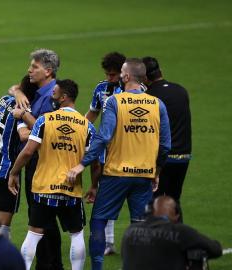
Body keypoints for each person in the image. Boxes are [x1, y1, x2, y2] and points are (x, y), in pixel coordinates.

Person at [67, 58, 171, 270]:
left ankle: (97, 267)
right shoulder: (157, 105)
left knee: (99, 220)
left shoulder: (114, 102)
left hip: (116, 174)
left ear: (125, 76)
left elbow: (104, 136)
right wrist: (156, 171)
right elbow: (166, 145)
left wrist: (82, 164)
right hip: (144, 176)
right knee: (140, 227)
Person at [8, 79, 96, 270]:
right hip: (71, 190)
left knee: (33, 234)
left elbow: (28, 151)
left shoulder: (45, 120)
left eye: (54, 93)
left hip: (44, 188)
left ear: (64, 97)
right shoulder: (86, 126)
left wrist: (14, 173)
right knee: (76, 234)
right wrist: (94, 185)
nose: (52, 97)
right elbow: (95, 158)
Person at [11, 49, 64, 270]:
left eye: (34, 67)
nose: (29, 70)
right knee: (39, 214)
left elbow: (47, 130)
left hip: (43, 162)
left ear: (48, 71)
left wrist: (23, 115)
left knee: (43, 216)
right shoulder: (39, 90)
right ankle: (48, 263)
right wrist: (18, 94)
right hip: (37, 161)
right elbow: (14, 87)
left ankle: (50, 264)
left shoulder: (53, 96)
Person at [0, 75, 37, 239]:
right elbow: (23, 134)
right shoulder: (23, 110)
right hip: (5, 172)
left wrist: (18, 91)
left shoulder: (3, 99)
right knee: (2, 229)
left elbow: (13, 88)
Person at [85, 51, 126, 256]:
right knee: (104, 191)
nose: (110, 78)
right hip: (106, 147)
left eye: (113, 74)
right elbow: (93, 112)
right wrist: (80, 128)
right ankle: (108, 241)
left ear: (123, 72)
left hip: (129, 149)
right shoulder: (101, 88)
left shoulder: (135, 90)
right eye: (107, 74)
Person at [143, 56, 192, 222]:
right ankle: (179, 239)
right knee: (174, 200)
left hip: (161, 158)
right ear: (160, 71)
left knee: (154, 202)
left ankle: (156, 241)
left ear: (145, 78)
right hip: (183, 156)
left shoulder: (148, 97)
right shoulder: (181, 90)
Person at [121, 196, 222, 270]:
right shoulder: (180, 231)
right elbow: (216, 249)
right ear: (176, 215)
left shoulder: (129, 231)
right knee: (197, 254)